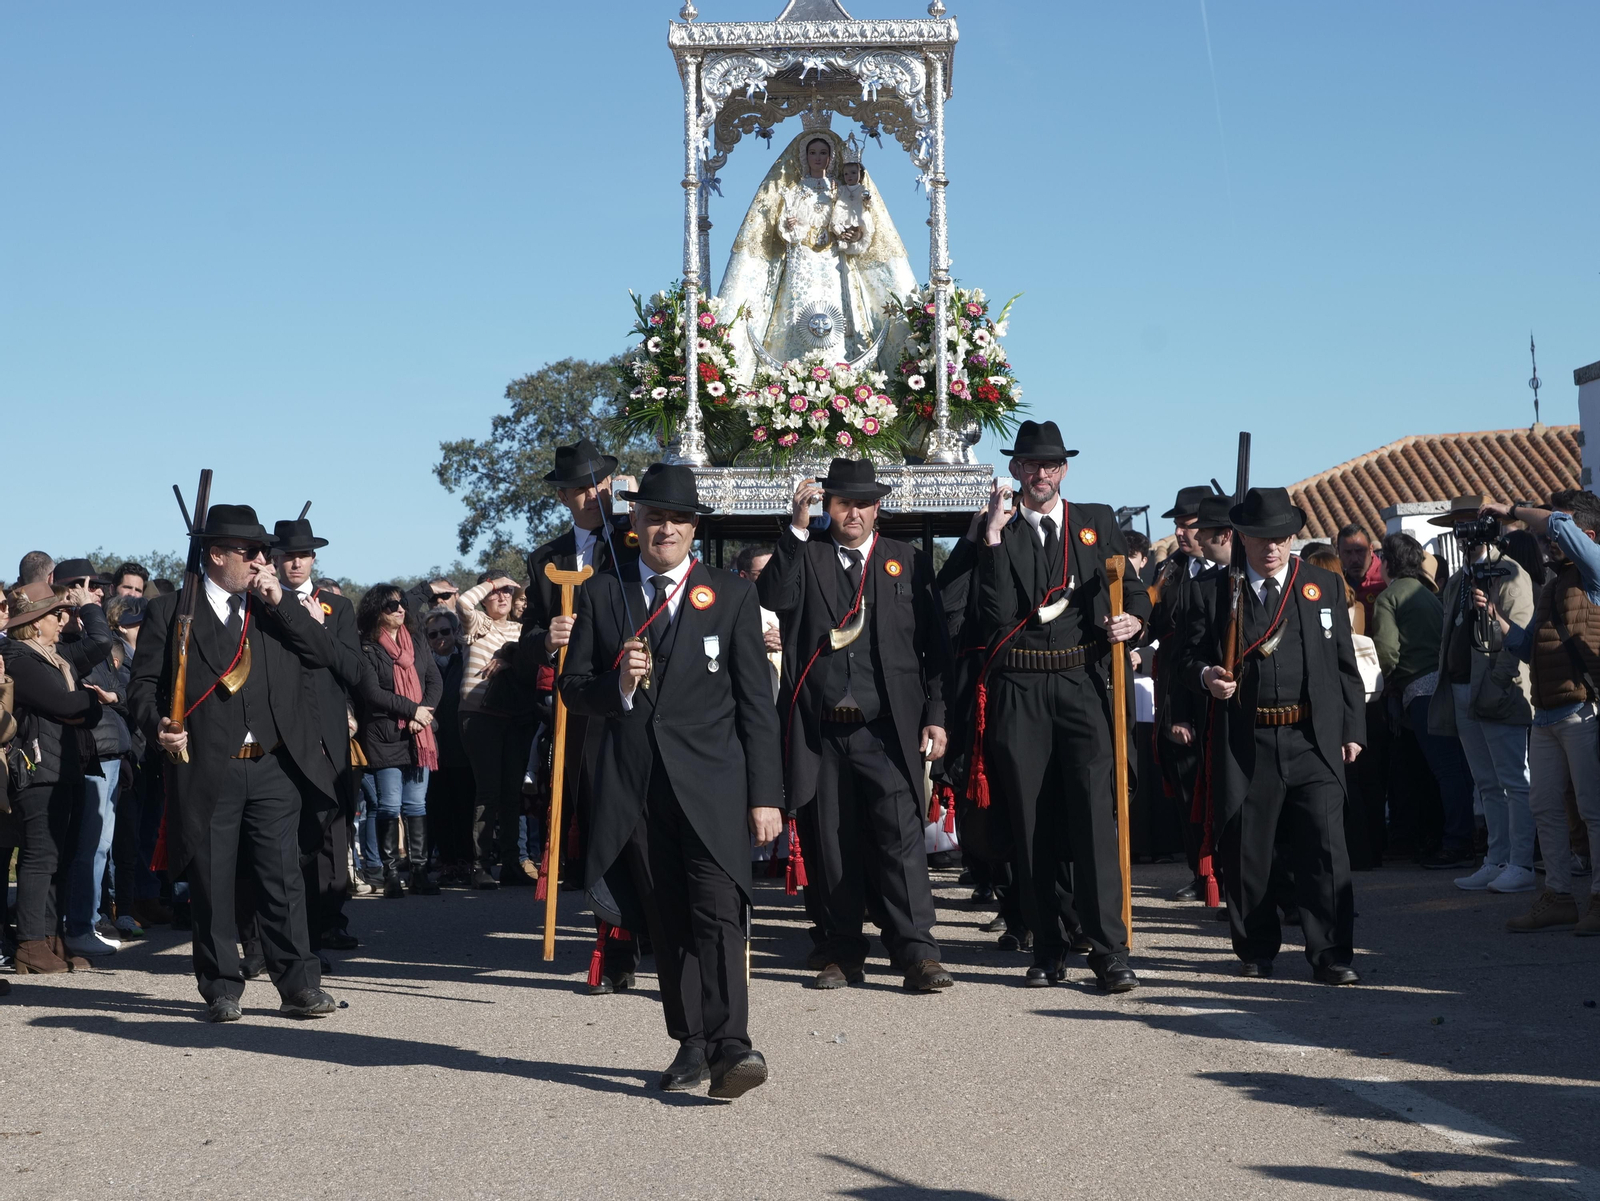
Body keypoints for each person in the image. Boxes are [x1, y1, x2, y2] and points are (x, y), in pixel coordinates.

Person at [560, 463, 783, 1099]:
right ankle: (691, 1042)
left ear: (693, 528)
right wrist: (620, 685)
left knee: (718, 912)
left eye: (679, 519)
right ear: (635, 523)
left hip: (713, 787)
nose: (667, 529)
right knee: (666, 919)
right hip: (636, 790)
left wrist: (766, 795)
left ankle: (733, 1045)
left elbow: (755, 708)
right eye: (655, 516)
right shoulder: (604, 593)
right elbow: (577, 693)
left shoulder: (732, 594)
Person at [128, 504, 341, 1022]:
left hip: (272, 764)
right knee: (212, 880)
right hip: (205, 765)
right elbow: (142, 688)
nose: (261, 560)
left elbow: (320, 654)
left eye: (264, 552)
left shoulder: (273, 606)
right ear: (215, 554)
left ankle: (299, 986)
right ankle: (222, 986)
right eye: (250, 552)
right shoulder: (171, 611)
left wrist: (282, 602)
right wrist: (156, 724)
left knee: (282, 878)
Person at [758, 459, 953, 993]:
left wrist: (936, 717)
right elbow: (771, 597)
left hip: (887, 728)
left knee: (900, 840)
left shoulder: (906, 562)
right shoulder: (808, 554)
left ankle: (917, 953)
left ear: (877, 507)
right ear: (827, 506)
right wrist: (796, 530)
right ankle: (840, 950)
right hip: (820, 729)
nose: (854, 513)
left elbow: (935, 650)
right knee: (831, 842)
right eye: (843, 503)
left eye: (864, 503)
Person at [971, 420, 1149, 992]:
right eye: (1029, 465)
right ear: (1016, 471)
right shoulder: (995, 530)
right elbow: (990, 614)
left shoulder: (1094, 521)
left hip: (1079, 682)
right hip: (1020, 689)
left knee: (1095, 819)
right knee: (1030, 822)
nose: (1040, 474)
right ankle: (1046, 945)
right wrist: (993, 540)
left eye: (1050, 465)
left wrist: (1135, 621)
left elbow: (1135, 592)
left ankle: (1108, 948)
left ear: (1063, 471)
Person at [1180, 488, 1366, 984]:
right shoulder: (1215, 590)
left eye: (1281, 538)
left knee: (1326, 851)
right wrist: (1207, 677)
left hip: (1312, 737)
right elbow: (1187, 658)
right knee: (1250, 851)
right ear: (1242, 537)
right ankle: (1256, 947)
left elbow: (1345, 667)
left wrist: (1352, 729)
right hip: (1250, 740)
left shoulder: (1321, 585)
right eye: (1261, 538)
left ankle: (1331, 954)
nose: (1272, 549)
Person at [516, 438, 640, 991]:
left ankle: (664, 932)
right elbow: (524, 642)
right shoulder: (547, 560)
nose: (593, 495)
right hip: (582, 711)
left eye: (600, 484)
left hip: (641, 700)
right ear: (564, 496)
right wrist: (548, 638)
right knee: (601, 830)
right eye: (581, 488)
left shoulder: (638, 541)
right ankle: (613, 949)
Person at [1475, 495, 1600, 934]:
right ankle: (1560, 896)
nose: (1548, 542)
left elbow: (1561, 524)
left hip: (1583, 710)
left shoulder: (1596, 573)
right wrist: (1497, 620)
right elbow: (1534, 649)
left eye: (1553, 537)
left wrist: (1513, 511)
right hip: (1547, 714)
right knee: (1545, 807)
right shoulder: (1555, 583)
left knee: (1592, 809)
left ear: (1587, 538)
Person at [1425, 496, 1536, 889]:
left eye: (1470, 524)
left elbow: (1519, 640)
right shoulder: (1458, 580)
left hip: (1494, 691)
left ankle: (1521, 863)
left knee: (1513, 780)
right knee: (1487, 783)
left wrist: (1497, 683)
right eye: (1457, 526)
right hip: (1460, 689)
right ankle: (1497, 857)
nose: (1463, 533)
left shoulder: (1510, 573)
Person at [272, 517, 367, 955]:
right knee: (292, 834)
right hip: (281, 733)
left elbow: (352, 669)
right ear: (274, 559)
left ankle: (332, 917)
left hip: (330, 734)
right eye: (288, 555)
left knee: (333, 828)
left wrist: (318, 628)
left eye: (303, 555)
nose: (296, 562)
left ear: (314, 559)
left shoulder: (338, 607)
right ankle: (290, 927)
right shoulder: (263, 603)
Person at [2, 583, 108, 973]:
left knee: (58, 858)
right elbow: (62, 703)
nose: (62, 622)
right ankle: (30, 944)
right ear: (32, 623)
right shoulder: (18, 657)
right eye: (55, 615)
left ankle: (49, 938)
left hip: (63, 764)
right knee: (39, 856)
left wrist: (91, 609)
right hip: (37, 767)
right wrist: (94, 702)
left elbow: (98, 643)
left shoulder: (54, 655)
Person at [1371, 533, 1475, 866]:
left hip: (1419, 690)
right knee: (1457, 769)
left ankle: (1457, 843)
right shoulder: (1430, 594)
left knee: (1445, 771)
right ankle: (1462, 838)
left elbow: (1387, 651)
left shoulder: (1389, 598)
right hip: (1447, 685)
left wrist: (1382, 680)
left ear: (1388, 563)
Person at [356, 584, 443, 898]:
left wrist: (425, 712)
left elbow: (433, 679)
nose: (401, 609)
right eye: (392, 605)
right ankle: (391, 874)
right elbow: (373, 693)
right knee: (389, 805)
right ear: (377, 611)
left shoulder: (417, 640)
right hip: (384, 735)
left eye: (403, 603)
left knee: (416, 804)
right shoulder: (366, 646)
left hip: (420, 734)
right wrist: (413, 710)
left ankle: (419, 872)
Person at [1150, 485, 1215, 901]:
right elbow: (1154, 627)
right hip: (1177, 696)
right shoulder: (1171, 570)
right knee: (1188, 789)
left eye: (1188, 525)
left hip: (1221, 699)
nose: (1180, 533)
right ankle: (1200, 872)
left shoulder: (1236, 568)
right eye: (1176, 525)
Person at [457, 571, 535, 888]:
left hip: (515, 716)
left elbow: (536, 660)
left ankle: (512, 864)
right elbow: (462, 602)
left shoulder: (521, 630)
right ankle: (481, 866)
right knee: (488, 791)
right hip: (478, 715)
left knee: (511, 793)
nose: (502, 597)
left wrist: (509, 657)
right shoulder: (477, 624)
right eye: (496, 592)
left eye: (507, 592)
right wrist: (492, 581)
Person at [422, 609, 473, 883]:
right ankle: (447, 862)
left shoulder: (467, 659)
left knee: (465, 806)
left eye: (445, 631)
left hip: (463, 744)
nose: (439, 638)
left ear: (455, 632)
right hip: (433, 748)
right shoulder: (422, 665)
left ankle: (466, 861)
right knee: (439, 808)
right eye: (433, 634)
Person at [1337, 524, 1386, 631]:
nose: (1354, 559)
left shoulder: (1386, 578)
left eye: (1359, 551)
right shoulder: (1336, 581)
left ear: (1371, 549)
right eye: (1347, 553)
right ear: (1339, 553)